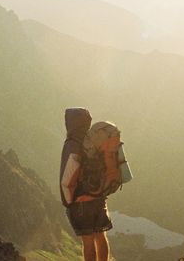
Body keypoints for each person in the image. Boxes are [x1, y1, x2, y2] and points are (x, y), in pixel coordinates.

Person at [60, 108, 112, 261]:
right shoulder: (94, 141)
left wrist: (68, 201)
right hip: (99, 197)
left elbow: (67, 176)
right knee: (101, 235)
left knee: (88, 241)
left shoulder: (72, 144)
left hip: (81, 201)